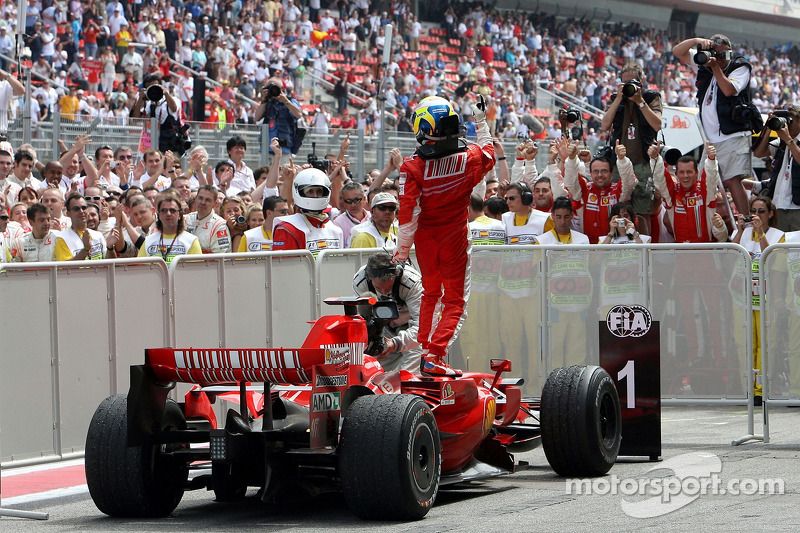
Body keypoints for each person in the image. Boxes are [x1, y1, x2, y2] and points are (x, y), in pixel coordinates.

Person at [394, 94, 495, 376]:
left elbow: (407, 217)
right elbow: (489, 151)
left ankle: (425, 350)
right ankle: (435, 356)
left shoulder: (411, 167)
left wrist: (401, 253)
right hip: (455, 240)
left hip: (426, 241)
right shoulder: (470, 158)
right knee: (455, 302)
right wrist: (480, 120)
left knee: (430, 295)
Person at [672, 34, 754, 218]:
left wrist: (715, 66)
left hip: (733, 133)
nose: (717, 56)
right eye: (714, 52)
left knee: (733, 180)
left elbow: (729, 89)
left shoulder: (740, 66)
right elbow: (678, 52)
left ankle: (747, 222)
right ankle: (702, 223)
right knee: (701, 183)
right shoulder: (704, 63)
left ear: (729, 51)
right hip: (710, 138)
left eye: (721, 53)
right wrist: (695, 41)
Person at [600, 64, 663, 235]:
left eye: (632, 82)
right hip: (619, 164)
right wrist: (619, 99)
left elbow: (657, 124)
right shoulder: (616, 99)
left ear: (641, 82)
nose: (628, 86)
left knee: (643, 212)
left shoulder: (651, 97)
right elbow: (604, 125)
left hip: (643, 161)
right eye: (625, 82)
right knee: (617, 210)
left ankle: (645, 246)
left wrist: (640, 101)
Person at [732, 196, 784, 402]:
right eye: (754, 211)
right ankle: (747, 387)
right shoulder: (743, 233)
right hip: (741, 298)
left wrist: (760, 232)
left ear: (770, 214)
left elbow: (772, 260)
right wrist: (739, 229)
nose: (757, 215)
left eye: (761, 211)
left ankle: (761, 389)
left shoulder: (778, 235)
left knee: (764, 343)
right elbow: (729, 253)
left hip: (765, 298)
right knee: (744, 343)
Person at [353, 252, 423, 374]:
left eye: (388, 288)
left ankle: (406, 390)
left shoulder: (412, 283)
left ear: (395, 276)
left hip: (411, 325)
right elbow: (364, 318)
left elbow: (422, 327)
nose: (384, 292)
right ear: (370, 278)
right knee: (377, 372)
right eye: (379, 289)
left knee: (409, 373)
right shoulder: (361, 282)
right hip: (383, 325)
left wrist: (396, 343)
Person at [651, 143, 728, 243]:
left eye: (689, 172)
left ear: (696, 173)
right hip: (681, 253)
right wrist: (655, 159)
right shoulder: (672, 194)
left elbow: (711, 178)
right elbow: (661, 179)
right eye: (682, 172)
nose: (685, 176)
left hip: (705, 253)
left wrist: (711, 160)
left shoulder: (704, 193)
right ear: (676, 174)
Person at [563, 139, 636, 243]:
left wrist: (622, 160)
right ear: (590, 173)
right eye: (596, 171)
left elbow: (629, 182)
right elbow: (571, 182)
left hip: (613, 247)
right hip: (588, 248)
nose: (600, 175)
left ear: (611, 173)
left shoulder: (618, 191)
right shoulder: (584, 190)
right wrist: (571, 159)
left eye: (604, 171)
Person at [272, 168, 343, 255]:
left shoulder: (335, 230)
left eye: (319, 191)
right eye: (310, 191)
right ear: (299, 192)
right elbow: (285, 267)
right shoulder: (287, 228)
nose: (315, 196)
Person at [753, 105, 800, 232]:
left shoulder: (788, 141)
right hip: (778, 206)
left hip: (797, 209)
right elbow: (758, 153)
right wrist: (769, 127)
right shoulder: (781, 143)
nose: (787, 124)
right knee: (779, 249)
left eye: (791, 121)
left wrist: (788, 140)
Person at [138, 194, 202, 263]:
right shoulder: (148, 241)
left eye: (172, 210)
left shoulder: (191, 241)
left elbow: (196, 271)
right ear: (158, 215)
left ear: (180, 215)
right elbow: (141, 270)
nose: (168, 214)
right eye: (164, 210)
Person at [254, 79, 303, 155]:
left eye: (275, 87)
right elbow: (256, 118)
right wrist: (264, 100)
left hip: (284, 147)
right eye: (269, 88)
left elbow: (298, 114)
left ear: (282, 89)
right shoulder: (267, 103)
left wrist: (285, 101)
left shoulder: (290, 101)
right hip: (266, 148)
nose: (272, 90)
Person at [53, 194, 107, 261]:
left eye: (84, 208)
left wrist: (111, 248)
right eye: (76, 209)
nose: (81, 211)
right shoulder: (61, 238)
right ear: (68, 213)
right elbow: (65, 267)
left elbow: (110, 262)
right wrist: (85, 250)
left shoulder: (98, 235)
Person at [184, 185, 231, 253]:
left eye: (208, 200)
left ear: (215, 204)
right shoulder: (186, 219)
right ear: (196, 199)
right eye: (200, 198)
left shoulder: (220, 225)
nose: (203, 202)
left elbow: (219, 256)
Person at [333, 181, 369, 247]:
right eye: (348, 201)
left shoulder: (372, 217)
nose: (353, 205)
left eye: (356, 200)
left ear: (364, 199)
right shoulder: (338, 223)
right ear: (343, 202)